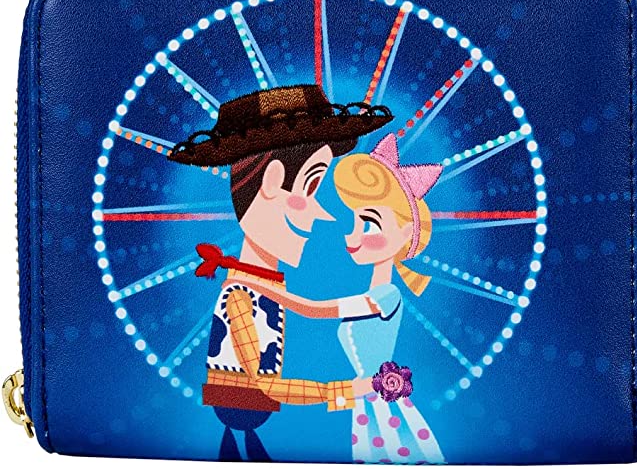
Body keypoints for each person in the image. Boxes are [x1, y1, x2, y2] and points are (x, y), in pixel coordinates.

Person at [168, 84, 393, 461]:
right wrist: (346, 391)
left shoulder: (261, 288)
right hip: (243, 417)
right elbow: (265, 386)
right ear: (272, 182)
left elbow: (307, 311)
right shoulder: (240, 295)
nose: (322, 214)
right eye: (311, 185)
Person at [235, 133, 446, 464]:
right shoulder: (373, 294)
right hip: (364, 399)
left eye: (369, 224)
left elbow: (315, 310)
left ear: (405, 233)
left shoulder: (386, 297)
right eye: (355, 221)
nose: (353, 234)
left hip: (377, 401)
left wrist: (260, 286)